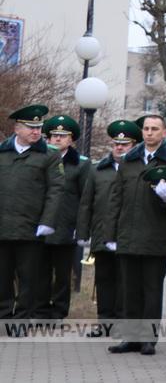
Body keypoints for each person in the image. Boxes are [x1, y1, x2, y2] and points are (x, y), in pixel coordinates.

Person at [106, 113, 166, 356]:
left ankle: (148, 339)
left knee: (152, 290)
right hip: (129, 234)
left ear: (164, 133)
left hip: (156, 235)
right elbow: (116, 198)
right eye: (146, 128)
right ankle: (130, 338)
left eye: (155, 129)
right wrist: (110, 234)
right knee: (130, 290)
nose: (149, 132)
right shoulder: (128, 160)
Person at [0, 104, 63, 320]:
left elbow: (56, 190)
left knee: (29, 278)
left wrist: (47, 221)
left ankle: (22, 318)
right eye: (31, 127)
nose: (36, 131)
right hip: (3, 226)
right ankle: (4, 315)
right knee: (2, 276)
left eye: (39, 127)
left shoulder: (49, 155)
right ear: (17, 128)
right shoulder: (2, 152)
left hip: (31, 227)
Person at [79, 119, 140, 333]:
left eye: (125, 144)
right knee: (104, 280)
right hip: (102, 233)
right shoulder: (98, 170)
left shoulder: (138, 170)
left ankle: (122, 324)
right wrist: (83, 231)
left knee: (125, 281)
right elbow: (87, 202)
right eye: (116, 144)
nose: (119, 148)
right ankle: (104, 323)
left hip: (127, 234)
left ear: (134, 146)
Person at [37, 114, 91, 319]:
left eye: (63, 135)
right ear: (48, 138)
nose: (57, 139)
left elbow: (84, 198)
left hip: (65, 225)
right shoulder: (40, 159)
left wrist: (80, 226)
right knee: (40, 272)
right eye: (54, 135)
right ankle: (40, 310)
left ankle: (59, 311)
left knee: (62, 274)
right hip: (40, 225)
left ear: (71, 139)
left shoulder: (81, 164)